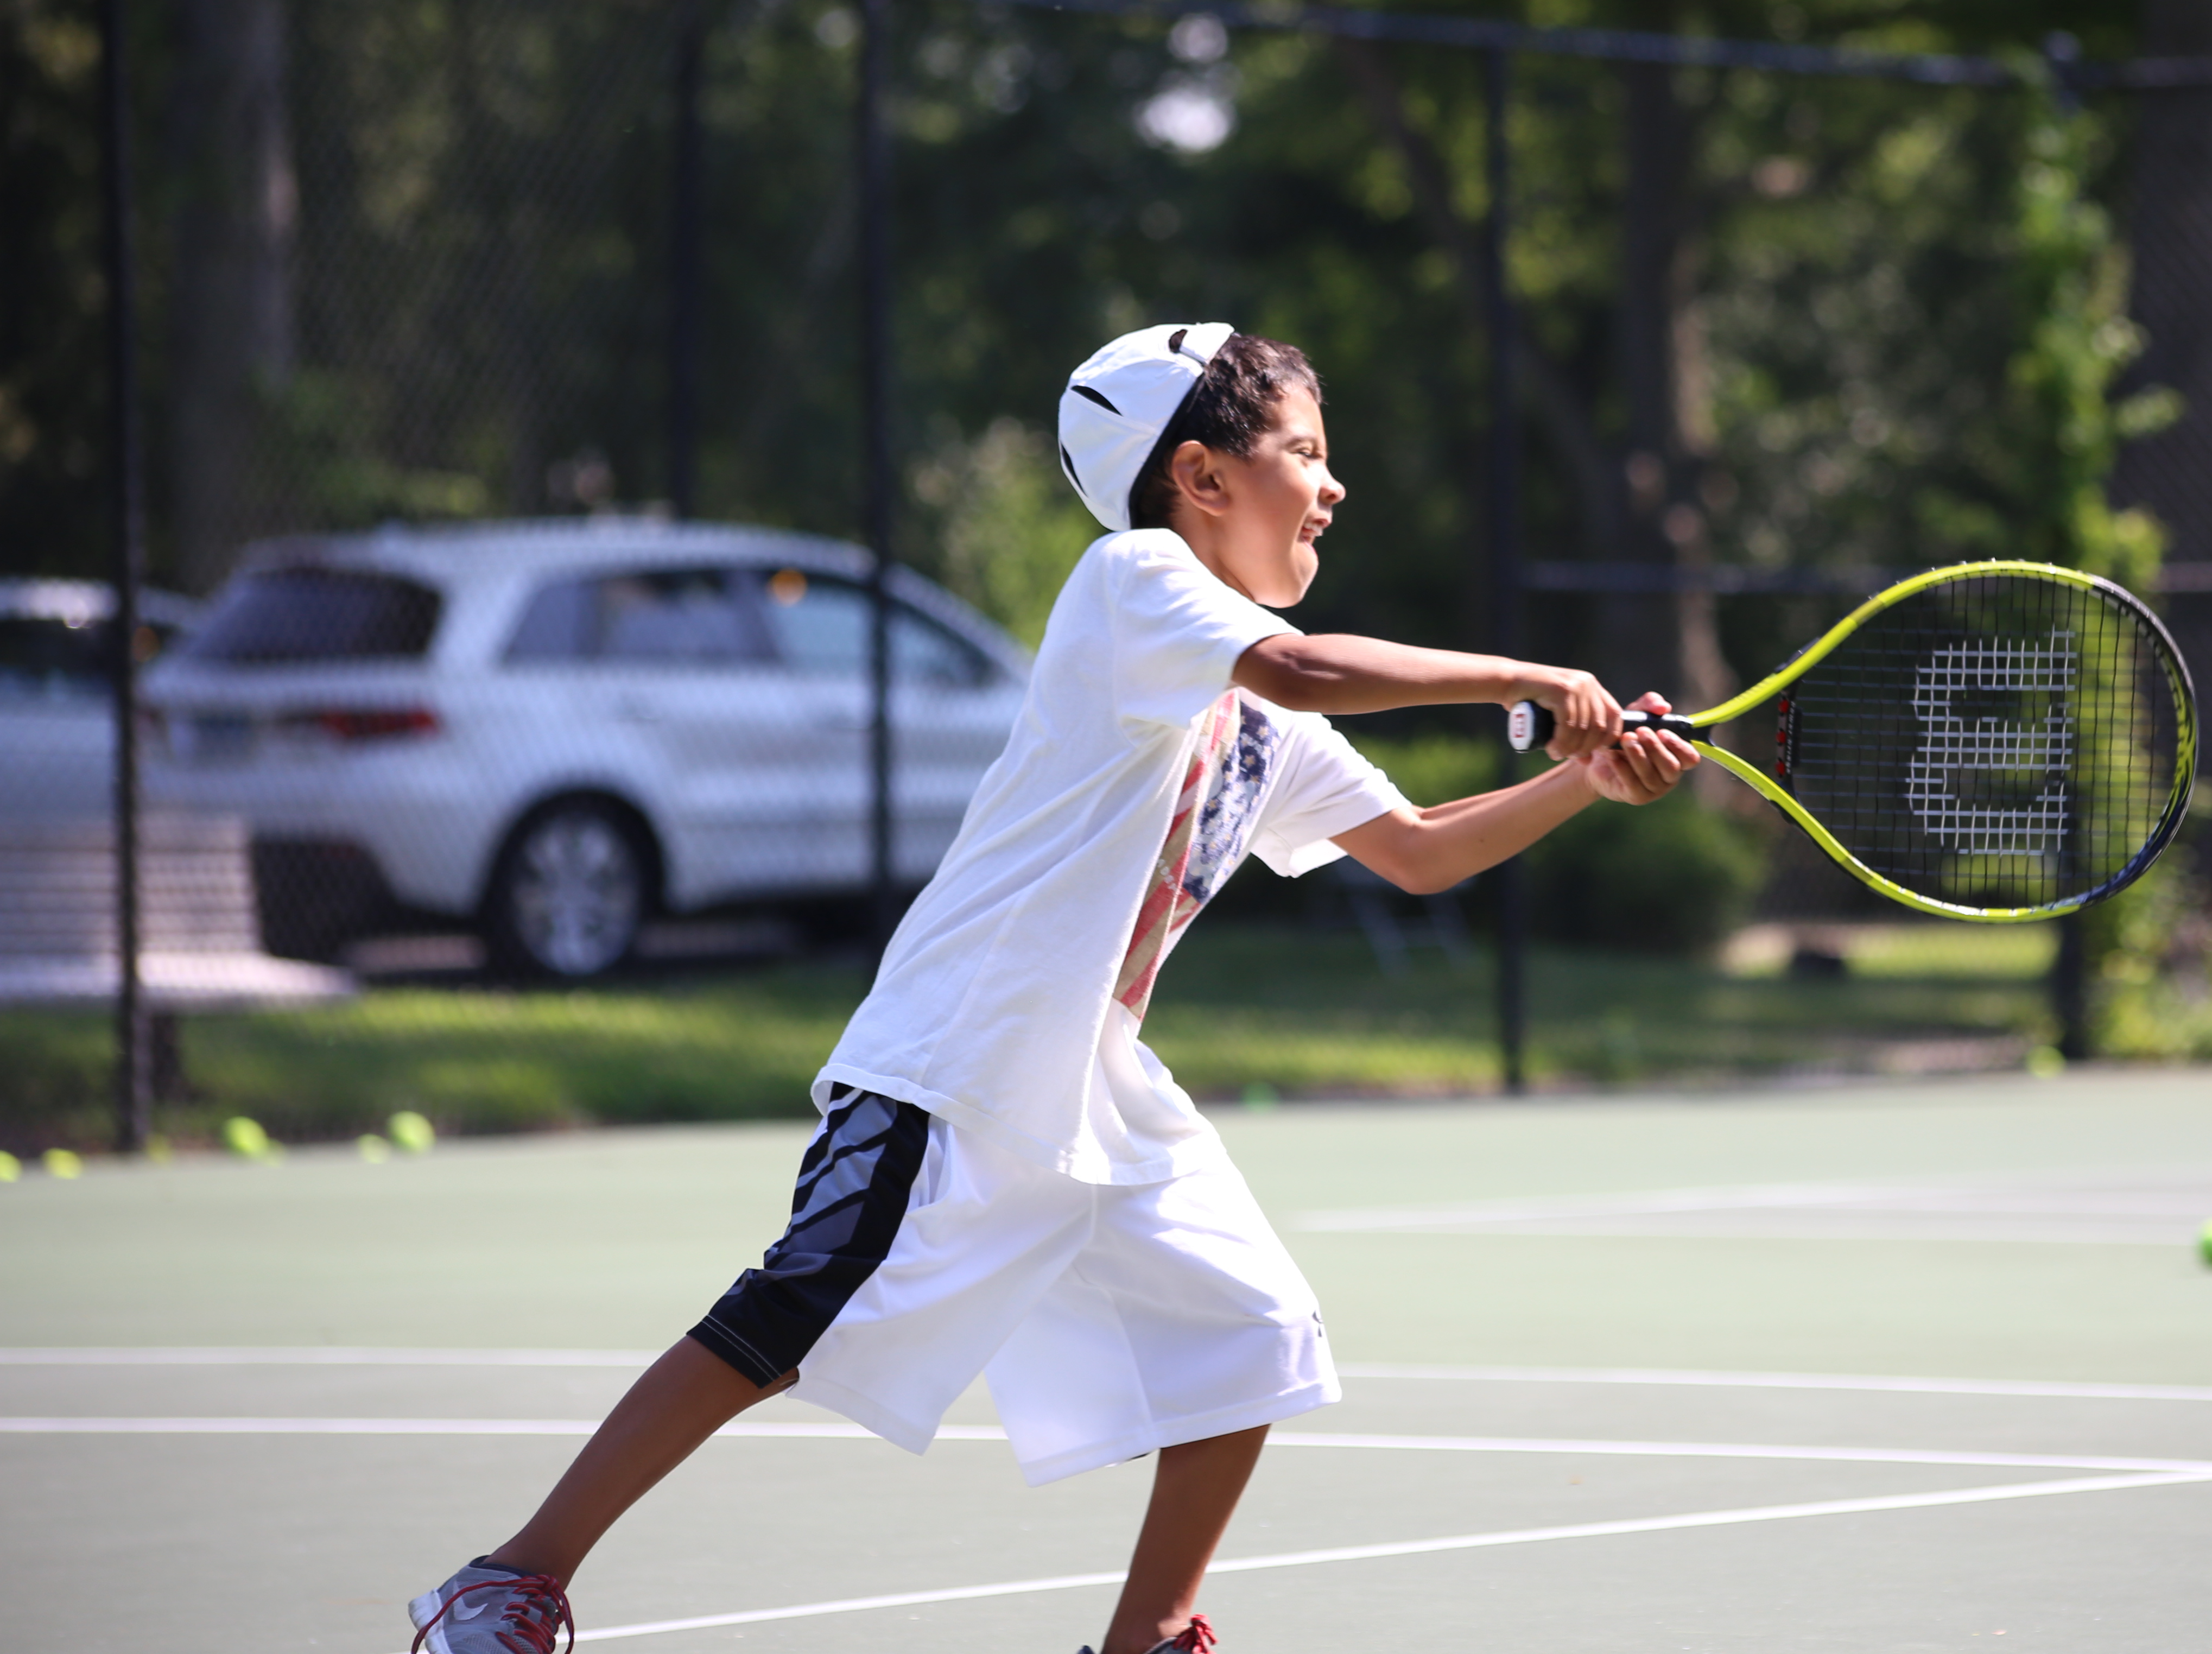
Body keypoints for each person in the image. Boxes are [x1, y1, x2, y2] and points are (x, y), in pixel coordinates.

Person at [407, 323, 1699, 1654]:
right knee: (797, 1306)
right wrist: (1539, 683)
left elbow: (1420, 854)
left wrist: (1582, 780)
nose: (1334, 484)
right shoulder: (1131, 579)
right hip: (959, 1053)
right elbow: (1305, 662)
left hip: (1094, 1079)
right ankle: (509, 1581)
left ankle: (1148, 1639)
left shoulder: (1260, 719)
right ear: (1199, 478)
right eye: (1306, 453)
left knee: (1252, 1332)